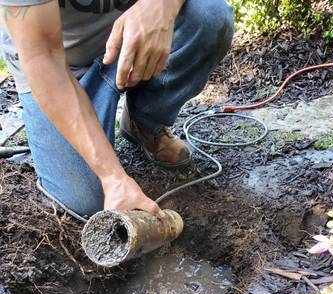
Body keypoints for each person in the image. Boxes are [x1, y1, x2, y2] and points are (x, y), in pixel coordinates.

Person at [0, 0, 234, 220]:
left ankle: (144, 120)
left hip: (136, 33)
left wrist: (161, 5)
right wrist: (112, 177)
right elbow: (44, 57)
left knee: (208, 17)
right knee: (90, 202)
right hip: (60, 63)